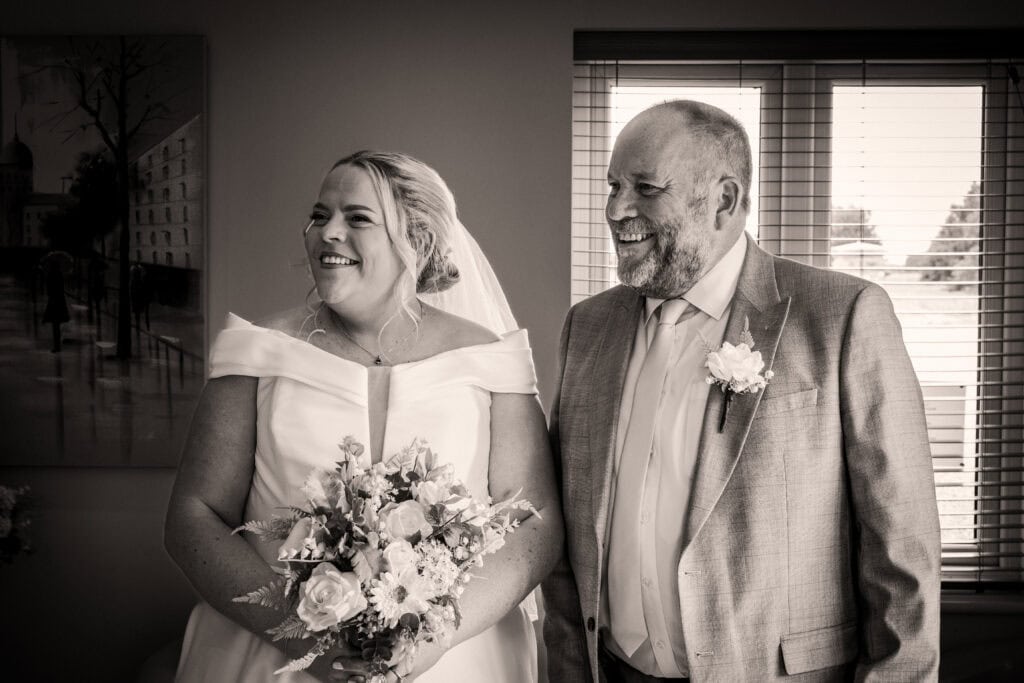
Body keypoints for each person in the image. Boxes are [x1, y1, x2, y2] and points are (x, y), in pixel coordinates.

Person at [542, 101, 941, 682]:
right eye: (613, 186)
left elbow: (902, 555)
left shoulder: (843, 316)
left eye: (646, 188)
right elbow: (564, 537)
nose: (615, 209)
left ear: (725, 200)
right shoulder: (587, 327)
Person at [166, 150, 562, 682]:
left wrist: (430, 643)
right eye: (319, 215)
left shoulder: (493, 361)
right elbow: (193, 515)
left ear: (416, 239)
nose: (326, 232)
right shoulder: (254, 351)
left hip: (455, 660)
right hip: (273, 657)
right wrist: (306, 636)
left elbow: (533, 524)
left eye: (356, 218)